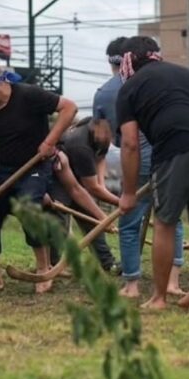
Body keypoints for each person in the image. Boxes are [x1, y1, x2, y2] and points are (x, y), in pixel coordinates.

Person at [116, 36, 189, 311]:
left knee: (165, 221)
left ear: (128, 61)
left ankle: (159, 297)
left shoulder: (130, 88)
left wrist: (129, 193)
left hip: (176, 149)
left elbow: (130, 143)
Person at [92, 37, 186, 299]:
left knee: (130, 223)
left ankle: (132, 284)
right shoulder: (161, 80)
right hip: (169, 154)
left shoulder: (104, 93)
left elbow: (101, 138)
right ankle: (173, 282)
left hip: (135, 158)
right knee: (170, 218)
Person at [0, 64, 77, 293]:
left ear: (0, 84)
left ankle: (43, 271)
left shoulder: (29, 95)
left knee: (29, 208)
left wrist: (50, 142)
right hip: (5, 169)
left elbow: (69, 108)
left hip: (35, 166)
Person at [53, 117, 119, 272]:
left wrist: (101, 185)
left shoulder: (102, 133)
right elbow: (88, 189)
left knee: (92, 219)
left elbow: (101, 157)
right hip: (57, 177)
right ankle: (55, 263)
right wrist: (107, 215)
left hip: (77, 178)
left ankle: (107, 263)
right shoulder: (80, 146)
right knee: (59, 217)